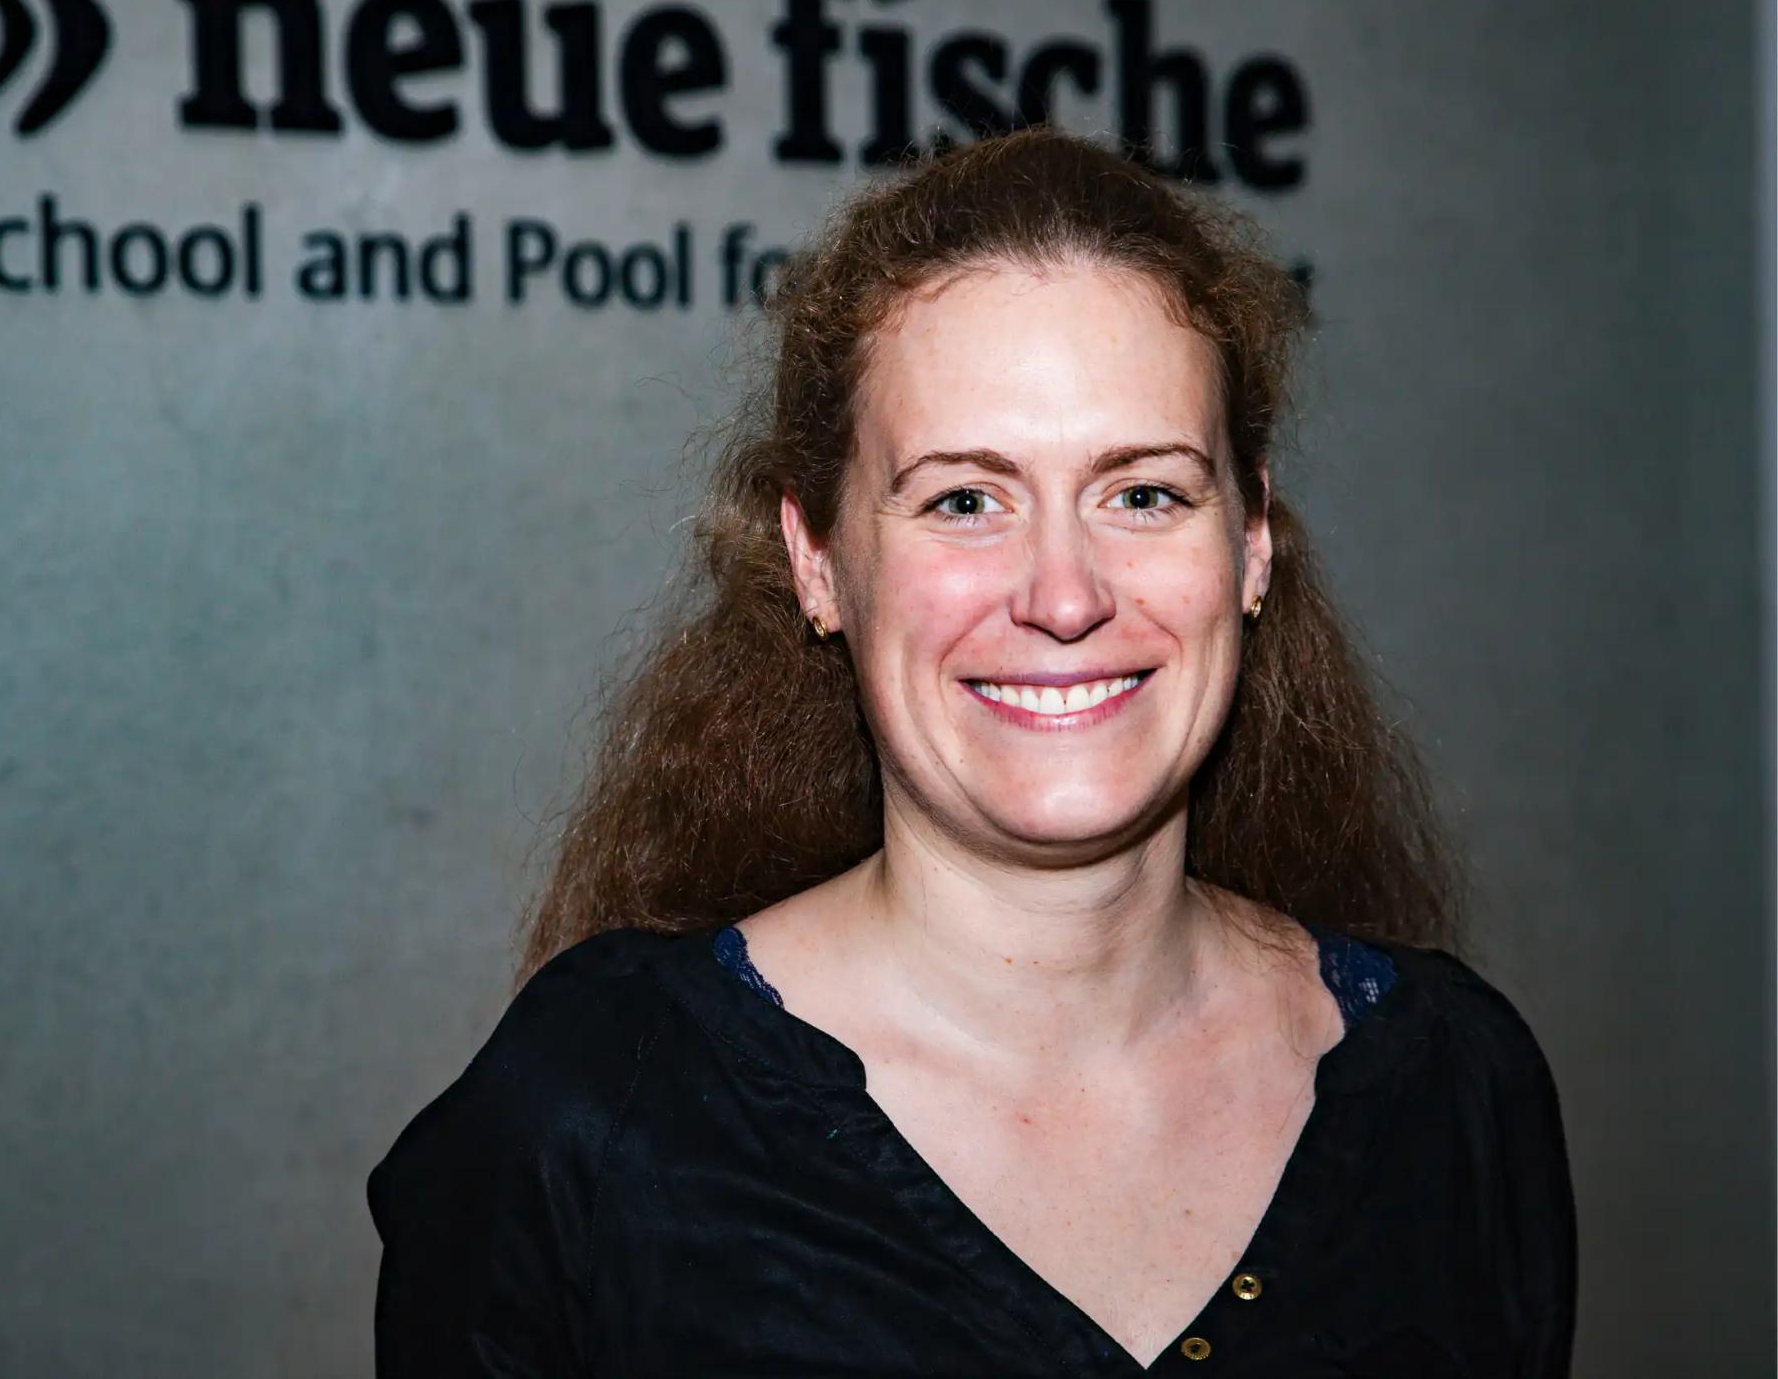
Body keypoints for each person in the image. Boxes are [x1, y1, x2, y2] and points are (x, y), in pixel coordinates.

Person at [367, 128, 1577, 1376]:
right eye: (962, 499)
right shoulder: (591, 1115)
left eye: (1144, 492)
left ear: (1253, 541)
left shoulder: (1453, 1089)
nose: (1063, 594)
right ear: (816, 559)